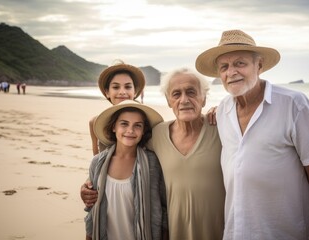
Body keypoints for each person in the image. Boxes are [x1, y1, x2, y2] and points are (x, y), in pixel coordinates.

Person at [195, 29, 309, 240]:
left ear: (259, 66)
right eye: (224, 66)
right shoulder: (222, 111)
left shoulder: (294, 104)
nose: (231, 72)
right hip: (236, 233)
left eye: (240, 63)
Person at [81, 68, 225, 240]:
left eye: (192, 92)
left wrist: (223, 110)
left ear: (204, 98)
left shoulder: (222, 128)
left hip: (219, 230)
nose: (184, 100)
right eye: (176, 94)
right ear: (168, 101)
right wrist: (88, 186)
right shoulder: (158, 135)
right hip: (174, 231)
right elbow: (113, 159)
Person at [84, 100, 168, 240]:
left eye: (137, 126)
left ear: (143, 131)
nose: (130, 130)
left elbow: (162, 209)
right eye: (124, 124)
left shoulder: (152, 163)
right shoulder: (97, 163)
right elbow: (91, 211)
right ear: (113, 127)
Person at [89, 61, 145, 155]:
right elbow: (96, 158)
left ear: (135, 91)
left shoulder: (146, 120)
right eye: (116, 87)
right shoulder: (95, 122)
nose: (122, 92)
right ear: (107, 92)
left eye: (127, 87)